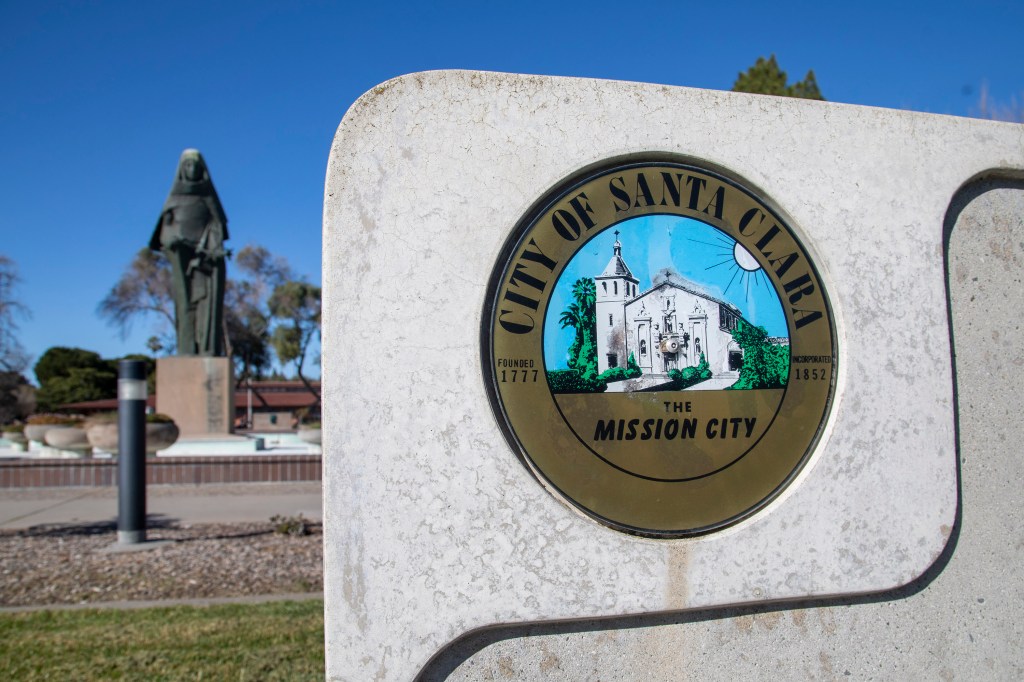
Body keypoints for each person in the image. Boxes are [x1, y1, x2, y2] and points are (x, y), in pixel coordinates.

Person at [149, 149, 229, 356]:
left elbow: (218, 228)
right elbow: (164, 234)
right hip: (181, 258)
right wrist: (173, 242)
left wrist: (211, 248)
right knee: (184, 302)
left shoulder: (208, 199)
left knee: (206, 306)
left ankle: (206, 347)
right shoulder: (174, 199)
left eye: (195, 165)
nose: (192, 169)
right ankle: (186, 348)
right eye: (188, 165)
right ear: (182, 169)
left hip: (206, 260)